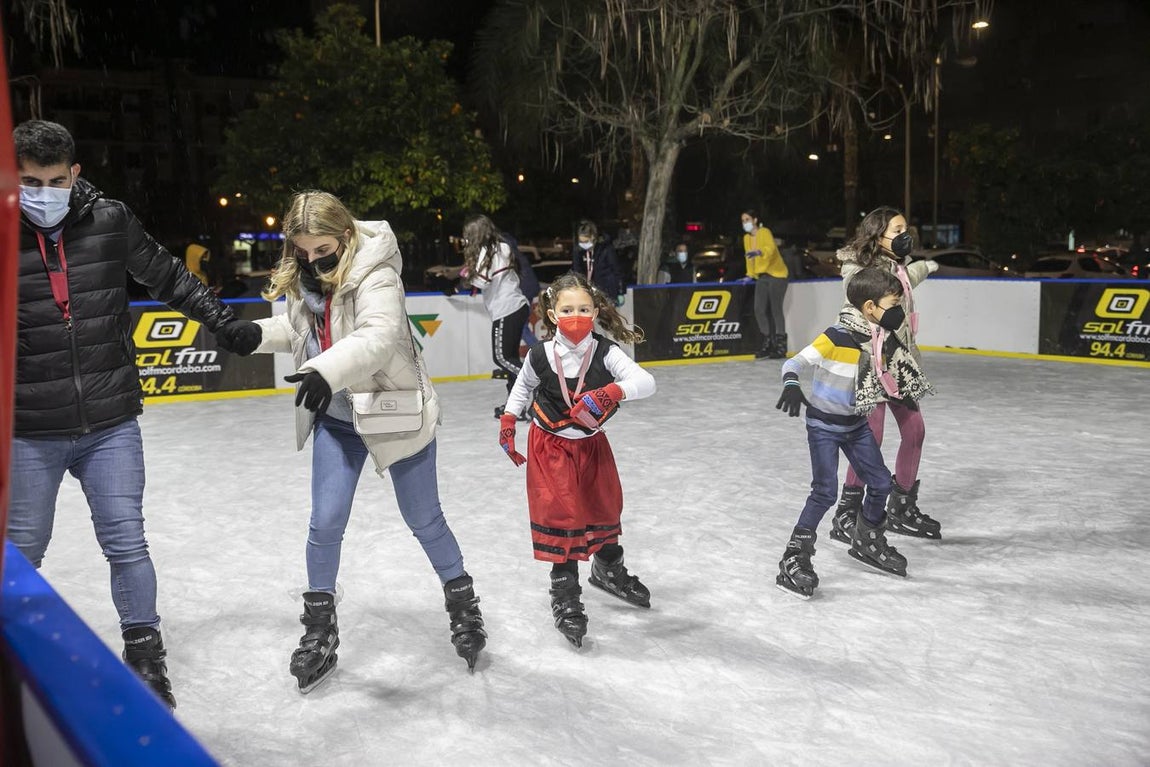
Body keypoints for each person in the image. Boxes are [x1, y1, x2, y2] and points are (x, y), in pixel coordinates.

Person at [8, 119, 262, 710]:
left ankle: (146, 658)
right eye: (29, 182)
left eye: (54, 180)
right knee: (22, 553)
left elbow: (168, 276)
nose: (43, 193)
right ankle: (14, 657)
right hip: (29, 428)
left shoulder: (109, 220)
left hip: (110, 422)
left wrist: (223, 322)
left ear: (74, 174)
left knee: (126, 543)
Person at [245, 191, 487, 691]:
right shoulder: (305, 277)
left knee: (424, 517)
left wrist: (322, 371)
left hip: (392, 411)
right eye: (302, 251)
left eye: (322, 250)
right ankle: (319, 627)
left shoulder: (377, 273)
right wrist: (251, 334)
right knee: (325, 522)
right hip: (337, 420)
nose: (312, 260)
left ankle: (463, 603)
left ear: (346, 236)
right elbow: (300, 330)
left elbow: (377, 338)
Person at [497, 273, 656, 648]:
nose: (576, 316)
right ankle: (565, 592)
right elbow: (522, 387)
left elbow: (647, 382)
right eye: (567, 310)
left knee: (603, 509)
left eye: (584, 309)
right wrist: (508, 420)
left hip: (591, 446)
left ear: (596, 312)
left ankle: (608, 569)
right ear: (553, 314)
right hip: (550, 448)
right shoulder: (540, 354)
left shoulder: (605, 351)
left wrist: (614, 390)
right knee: (562, 517)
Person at [774, 268, 919, 598]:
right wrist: (792, 384)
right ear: (870, 307)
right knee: (825, 492)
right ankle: (794, 556)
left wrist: (900, 392)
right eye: (892, 304)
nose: (898, 311)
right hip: (824, 427)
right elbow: (793, 363)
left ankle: (867, 538)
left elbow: (880, 376)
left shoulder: (879, 339)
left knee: (880, 483)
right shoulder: (835, 336)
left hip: (855, 426)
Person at [832, 206, 941, 544]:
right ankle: (848, 511)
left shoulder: (897, 267)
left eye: (906, 229)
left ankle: (901, 505)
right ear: (877, 236)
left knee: (915, 431)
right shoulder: (859, 270)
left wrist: (920, 268)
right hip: (871, 361)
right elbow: (863, 292)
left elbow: (902, 282)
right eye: (897, 230)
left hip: (899, 361)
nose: (905, 235)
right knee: (871, 438)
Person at [460, 214, 531, 418]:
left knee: (502, 358)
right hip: (515, 306)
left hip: (507, 308)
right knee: (510, 358)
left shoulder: (489, 250)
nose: (466, 240)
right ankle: (516, 406)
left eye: (468, 235)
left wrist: (465, 277)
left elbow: (481, 281)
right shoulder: (502, 247)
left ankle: (536, 383)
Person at [740, 209, 789, 359]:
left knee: (775, 309)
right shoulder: (746, 238)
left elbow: (771, 249)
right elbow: (749, 258)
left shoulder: (764, 232)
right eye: (743, 221)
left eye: (747, 219)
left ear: (755, 220)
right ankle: (767, 342)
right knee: (759, 309)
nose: (745, 223)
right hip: (761, 277)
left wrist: (759, 252)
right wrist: (749, 275)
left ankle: (780, 345)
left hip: (777, 275)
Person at [571, 220, 624, 306]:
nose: (583, 245)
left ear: (593, 237)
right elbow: (576, 271)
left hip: (606, 292)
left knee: (605, 313)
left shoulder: (605, 249)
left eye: (586, 241)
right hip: (587, 293)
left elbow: (616, 270)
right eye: (581, 242)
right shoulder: (579, 251)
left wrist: (620, 291)